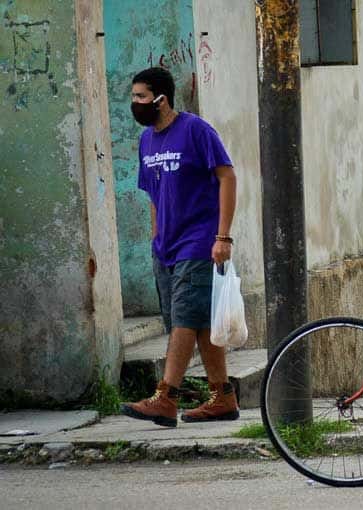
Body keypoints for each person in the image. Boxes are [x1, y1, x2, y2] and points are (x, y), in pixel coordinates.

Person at [120, 67, 239, 428]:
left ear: (161, 99)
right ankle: (222, 396)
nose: (135, 103)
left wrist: (222, 236)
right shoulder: (146, 141)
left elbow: (227, 177)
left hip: (199, 242)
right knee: (196, 321)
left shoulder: (196, 130)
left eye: (141, 96)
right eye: (134, 96)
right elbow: (153, 194)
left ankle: (165, 397)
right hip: (166, 247)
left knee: (185, 319)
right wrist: (156, 239)